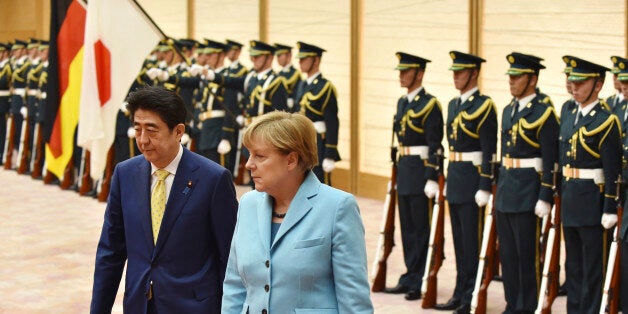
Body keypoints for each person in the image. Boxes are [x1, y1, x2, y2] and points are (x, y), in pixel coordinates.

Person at [90, 86, 238, 314]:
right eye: (137, 129)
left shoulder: (213, 179)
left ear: (178, 131)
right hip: (140, 305)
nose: (143, 140)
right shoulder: (125, 174)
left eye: (152, 130)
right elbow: (111, 251)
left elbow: (228, 257)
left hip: (193, 307)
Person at [222, 111, 373, 314]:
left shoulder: (338, 207)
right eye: (249, 154)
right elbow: (235, 286)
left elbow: (354, 301)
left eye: (260, 155)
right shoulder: (248, 204)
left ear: (291, 160)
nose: (249, 164)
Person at [495, 52, 559, 313]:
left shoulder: (544, 114)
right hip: (507, 190)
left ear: (532, 79)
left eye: (517, 76)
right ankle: (512, 304)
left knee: (527, 256)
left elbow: (550, 160)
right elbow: (503, 155)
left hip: (528, 193)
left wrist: (545, 195)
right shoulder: (509, 110)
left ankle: (528, 306)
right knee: (508, 256)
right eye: (510, 76)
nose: (511, 81)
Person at [433, 51, 497, 313]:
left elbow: (489, 150)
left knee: (472, 241)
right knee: (459, 240)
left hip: (473, 181)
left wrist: (485, 184)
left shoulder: (485, 106)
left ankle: (472, 293)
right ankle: (460, 291)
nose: (455, 76)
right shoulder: (453, 104)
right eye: (454, 72)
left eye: (460, 72)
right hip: (457, 178)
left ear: (473, 73)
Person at [559, 57, 621, 313]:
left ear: (598, 84)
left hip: (592, 203)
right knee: (572, 266)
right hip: (571, 198)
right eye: (572, 81)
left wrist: (609, 207)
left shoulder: (606, 121)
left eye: (581, 82)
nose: (574, 87)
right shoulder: (569, 113)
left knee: (593, 267)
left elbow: (612, 170)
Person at [384, 52, 443, 301]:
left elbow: (435, 145)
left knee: (421, 229)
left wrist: (432, 176)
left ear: (419, 73)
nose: (401, 75)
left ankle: (421, 277)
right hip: (405, 170)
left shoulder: (430, 104)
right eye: (400, 71)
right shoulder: (402, 102)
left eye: (406, 71)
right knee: (407, 227)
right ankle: (410, 274)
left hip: (420, 172)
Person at [294, 41, 340, 185]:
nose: (300, 61)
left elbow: (332, 122)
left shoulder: (325, 87)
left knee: (321, 184)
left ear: (316, 60)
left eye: (304, 58)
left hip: (318, 141)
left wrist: (330, 154)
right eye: (300, 58)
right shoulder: (302, 84)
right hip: (301, 140)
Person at [274, 43, 302, 112]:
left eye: (280, 55)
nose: (278, 58)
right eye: (277, 56)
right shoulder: (278, 74)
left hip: (290, 109)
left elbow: (297, 94)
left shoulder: (295, 73)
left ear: (289, 55)